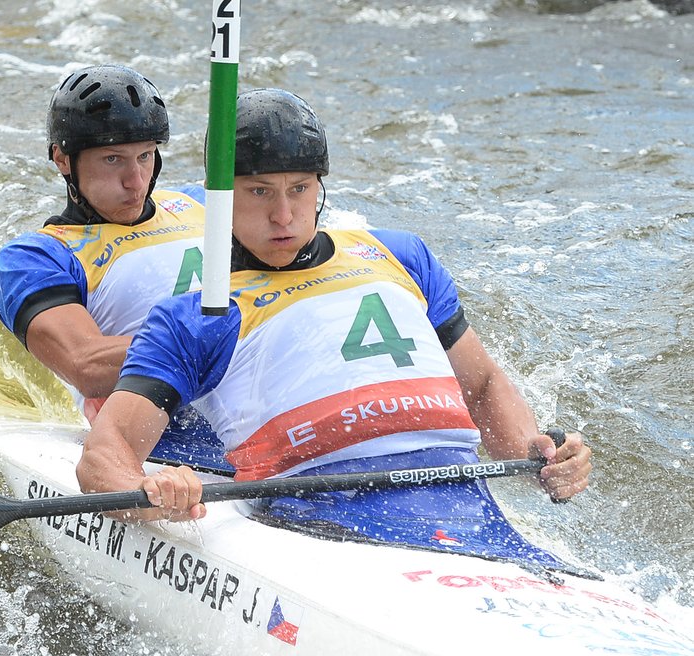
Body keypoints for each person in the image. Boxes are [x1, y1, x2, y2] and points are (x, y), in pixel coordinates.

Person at [76, 88, 593, 531]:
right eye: (259, 192)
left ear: (319, 188)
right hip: (312, 521)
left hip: (464, 508)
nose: (284, 215)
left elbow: (480, 388)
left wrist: (539, 452)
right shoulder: (199, 316)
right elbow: (105, 455)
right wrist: (152, 491)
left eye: (299, 189)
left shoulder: (401, 255)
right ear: (221, 198)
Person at [0, 65, 223, 466]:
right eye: (114, 159)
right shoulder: (36, 258)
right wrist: (225, 340)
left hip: (261, 423)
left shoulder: (205, 205)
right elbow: (86, 364)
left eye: (146, 156)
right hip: (160, 446)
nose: (136, 180)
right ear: (63, 159)